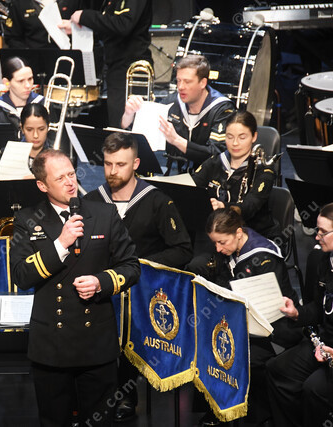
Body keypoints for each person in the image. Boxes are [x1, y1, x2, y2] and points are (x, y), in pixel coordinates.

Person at [11, 148, 141, 426]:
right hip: (51, 346)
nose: (70, 182)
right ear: (42, 185)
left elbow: (131, 266)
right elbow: (21, 276)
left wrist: (101, 282)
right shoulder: (27, 220)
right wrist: (61, 244)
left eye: (71, 174)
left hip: (96, 344)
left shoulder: (104, 213)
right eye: (60, 178)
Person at [83, 132, 192, 422]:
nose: (112, 171)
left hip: (143, 290)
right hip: (101, 288)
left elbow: (182, 249)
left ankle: (125, 396)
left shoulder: (158, 202)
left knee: (129, 331)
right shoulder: (91, 201)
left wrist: (140, 265)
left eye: (120, 164)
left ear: (136, 164)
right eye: (108, 164)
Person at [189, 207, 300, 425]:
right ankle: (217, 408)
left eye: (222, 242)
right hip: (244, 320)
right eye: (214, 243)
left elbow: (271, 307)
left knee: (229, 351)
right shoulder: (232, 249)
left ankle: (249, 415)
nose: (218, 249)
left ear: (238, 233)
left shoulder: (264, 257)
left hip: (274, 328)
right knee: (203, 341)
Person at [267, 203, 333, 427]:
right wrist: (297, 313)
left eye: (323, 232)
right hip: (324, 343)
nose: (317, 237)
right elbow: (318, 308)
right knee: (276, 369)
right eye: (317, 230)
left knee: (313, 389)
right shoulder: (325, 260)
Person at [121, 55, 235, 173]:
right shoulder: (174, 101)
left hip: (208, 177)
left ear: (203, 83)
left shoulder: (222, 109)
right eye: (178, 81)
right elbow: (135, 133)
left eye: (187, 82)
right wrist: (129, 114)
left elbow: (216, 155)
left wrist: (176, 140)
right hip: (175, 175)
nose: (180, 87)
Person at [61, 0, 152, 128]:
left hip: (131, 68)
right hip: (115, 67)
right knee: (115, 123)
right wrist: (77, 27)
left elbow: (123, 25)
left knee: (130, 125)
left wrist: (84, 16)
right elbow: (108, 27)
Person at [191, 111, 278, 239]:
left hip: (252, 235)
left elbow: (249, 207)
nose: (235, 143)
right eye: (230, 137)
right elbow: (192, 185)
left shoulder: (263, 170)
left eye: (242, 137)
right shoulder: (215, 161)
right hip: (217, 232)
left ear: (254, 137)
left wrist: (223, 206)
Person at [0, 56, 45, 129]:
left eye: (30, 79)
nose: (28, 85)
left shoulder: (44, 104)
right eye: (21, 81)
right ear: (7, 83)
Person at [0, 103, 52, 179]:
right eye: (29, 129)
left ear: (48, 127)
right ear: (22, 128)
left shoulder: (56, 156)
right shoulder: (8, 154)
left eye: (41, 129)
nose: (35, 135)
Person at [3, 0, 83, 49]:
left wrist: (74, 28)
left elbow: (86, 25)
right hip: (33, 61)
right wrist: (27, 53)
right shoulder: (19, 4)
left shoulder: (72, 2)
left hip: (68, 56)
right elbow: (12, 37)